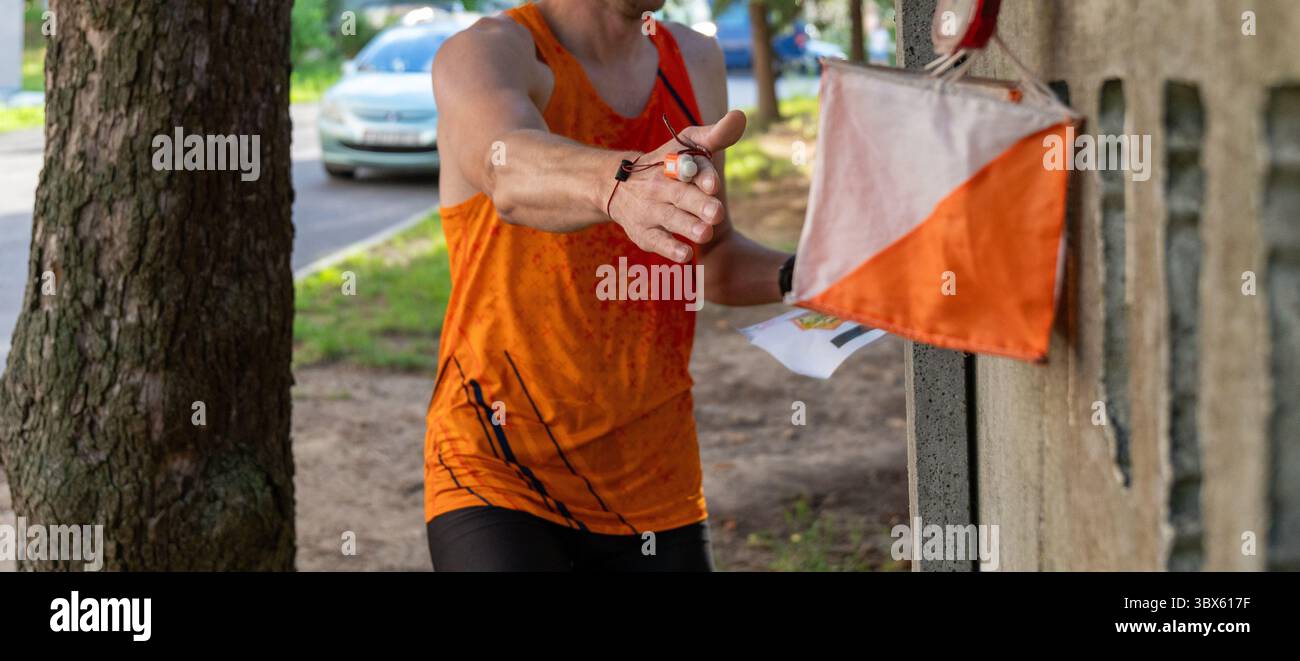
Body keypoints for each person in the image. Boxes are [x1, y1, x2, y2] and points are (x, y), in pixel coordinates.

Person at [425, 0, 794, 571]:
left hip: (654, 480)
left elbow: (709, 257)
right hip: (499, 468)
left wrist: (814, 274)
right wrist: (621, 186)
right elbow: (506, 172)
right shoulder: (486, 52)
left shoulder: (694, 59)